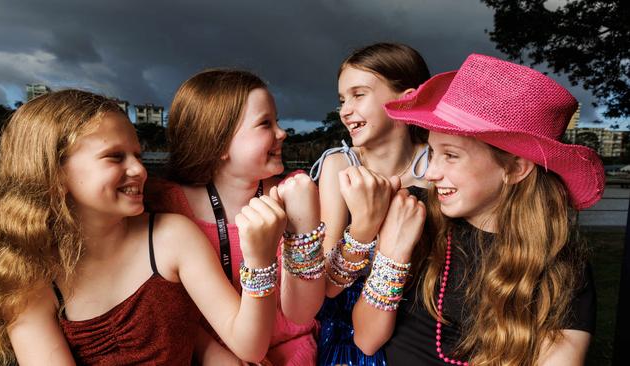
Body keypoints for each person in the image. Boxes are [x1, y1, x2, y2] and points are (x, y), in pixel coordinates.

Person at [0, 90, 283, 365]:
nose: (139, 170)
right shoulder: (29, 280)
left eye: (137, 155)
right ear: (54, 174)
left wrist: (260, 260)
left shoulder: (171, 237)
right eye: (115, 157)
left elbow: (249, 347)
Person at [353, 53, 603, 365]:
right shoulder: (412, 212)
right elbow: (366, 340)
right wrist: (392, 256)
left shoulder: (562, 266)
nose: (431, 172)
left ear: (515, 168)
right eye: (432, 152)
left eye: (451, 155)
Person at [145, 69, 324, 365]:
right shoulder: (166, 204)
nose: (282, 133)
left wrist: (302, 228)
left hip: (293, 351)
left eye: (277, 121)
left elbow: (302, 312)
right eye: (266, 123)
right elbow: (168, 307)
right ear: (218, 142)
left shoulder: (295, 192)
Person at [308, 42, 431, 365]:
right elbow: (325, 286)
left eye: (358, 94)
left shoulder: (437, 166)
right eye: (342, 99)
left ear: (406, 100)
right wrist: (364, 229)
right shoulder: (340, 167)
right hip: (351, 335)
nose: (345, 110)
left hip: (424, 320)